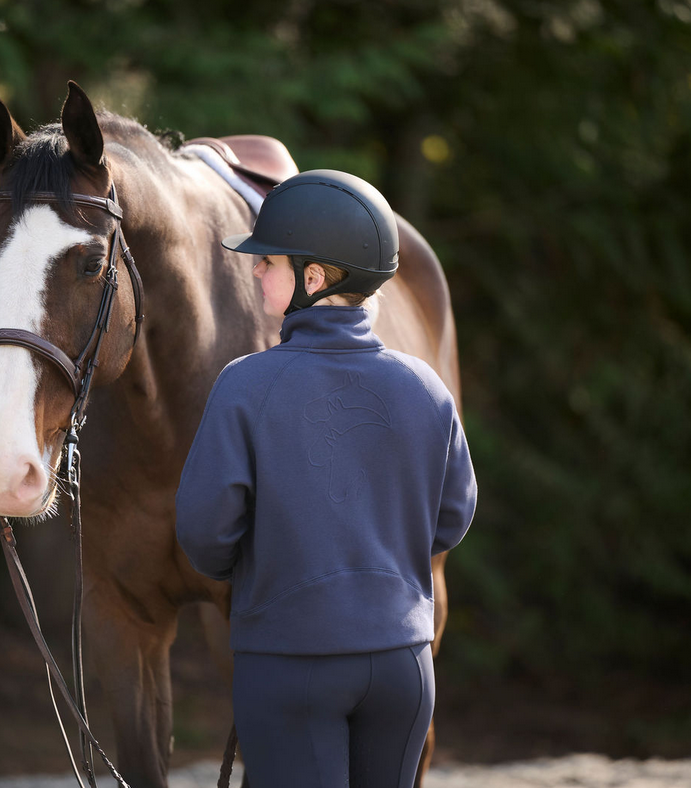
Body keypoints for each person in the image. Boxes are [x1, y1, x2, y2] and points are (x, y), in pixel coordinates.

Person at [175, 169, 476, 788]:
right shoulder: (426, 386)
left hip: (290, 664)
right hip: (403, 666)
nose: (254, 270)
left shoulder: (244, 385)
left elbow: (205, 537)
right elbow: (453, 516)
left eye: (268, 261)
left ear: (314, 278)